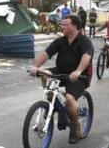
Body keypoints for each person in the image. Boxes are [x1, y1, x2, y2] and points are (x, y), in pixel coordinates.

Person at [29, 15, 94, 144]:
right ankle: (52, 102)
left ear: (75, 26)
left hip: (79, 76)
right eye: (62, 24)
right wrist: (36, 67)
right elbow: (46, 53)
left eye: (65, 25)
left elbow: (86, 57)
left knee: (70, 98)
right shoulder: (61, 40)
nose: (62, 27)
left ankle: (75, 126)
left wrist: (78, 71)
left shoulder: (84, 41)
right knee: (44, 73)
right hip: (61, 71)